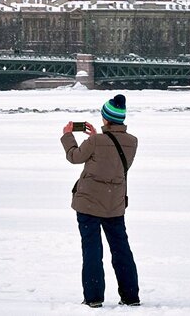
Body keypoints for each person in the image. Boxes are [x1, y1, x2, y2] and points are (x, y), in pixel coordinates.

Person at [61, 94, 140, 308]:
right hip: (115, 205)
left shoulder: (96, 142)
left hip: (88, 204)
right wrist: (97, 137)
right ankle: (131, 296)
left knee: (92, 250)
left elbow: (74, 157)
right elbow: (111, 159)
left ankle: (94, 297)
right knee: (121, 249)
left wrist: (68, 136)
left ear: (106, 118)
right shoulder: (132, 142)